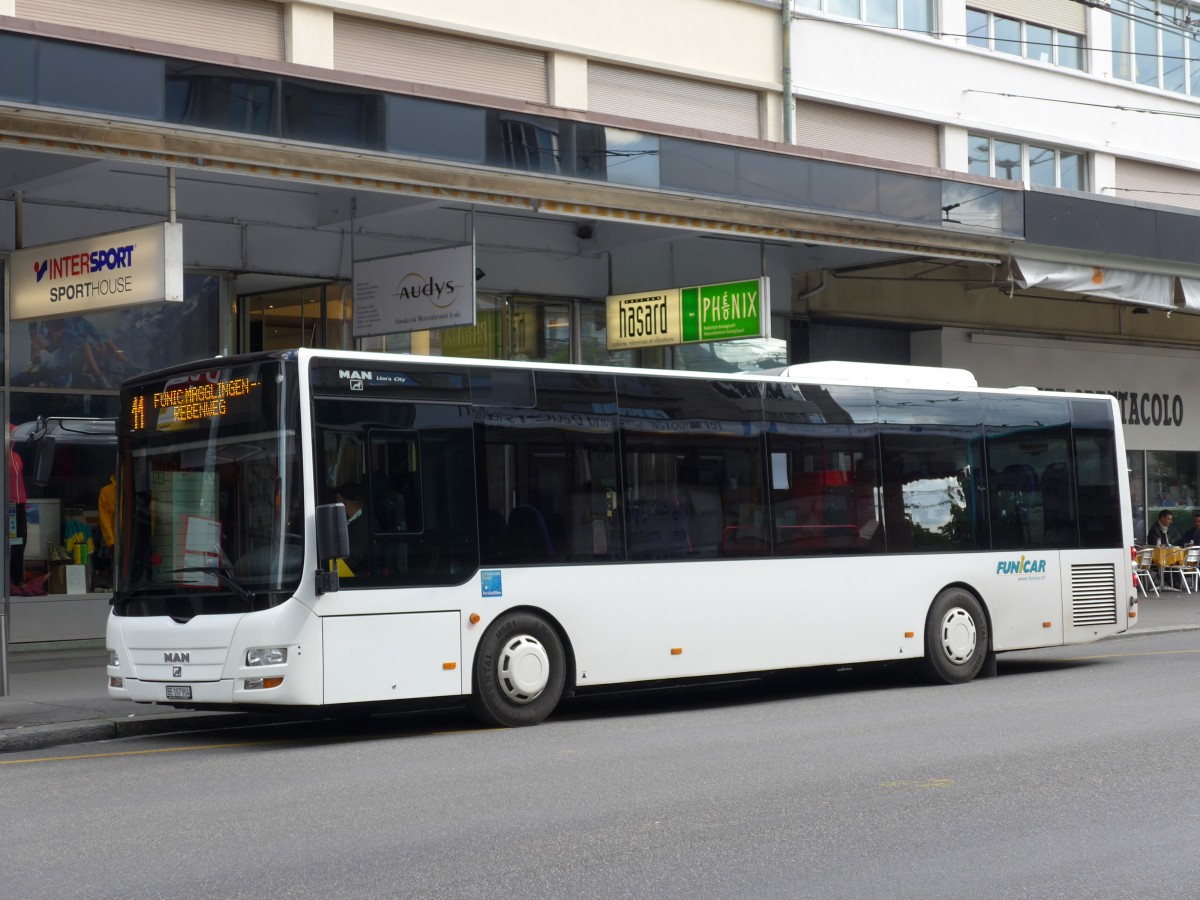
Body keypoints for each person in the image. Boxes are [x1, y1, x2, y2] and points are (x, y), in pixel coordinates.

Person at [8, 424, 28, 587]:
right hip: (6, 505)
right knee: (7, 542)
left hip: (19, 504)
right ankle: (8, 578)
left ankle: (17, 577)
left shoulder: (16, 456)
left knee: (20, 540)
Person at [336, 481, 369, 577]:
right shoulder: (353, 520)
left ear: (345, 502)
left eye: (338, 501)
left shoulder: (362, 526)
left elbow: (350, 561)